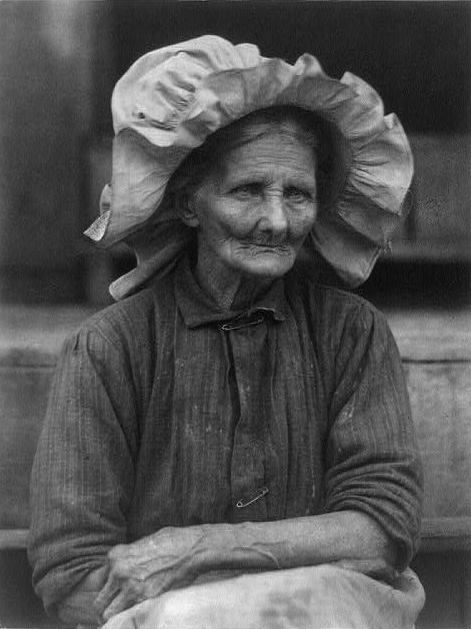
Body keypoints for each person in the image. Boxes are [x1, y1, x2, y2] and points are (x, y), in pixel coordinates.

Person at [29, 35, 425, 628]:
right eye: (247, 191)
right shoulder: (110, 348)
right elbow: (73, 575)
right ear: (190, 204)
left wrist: (194, 551)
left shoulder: (352, 334)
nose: (277, 220)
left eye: (298, 194)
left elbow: (381, 530)